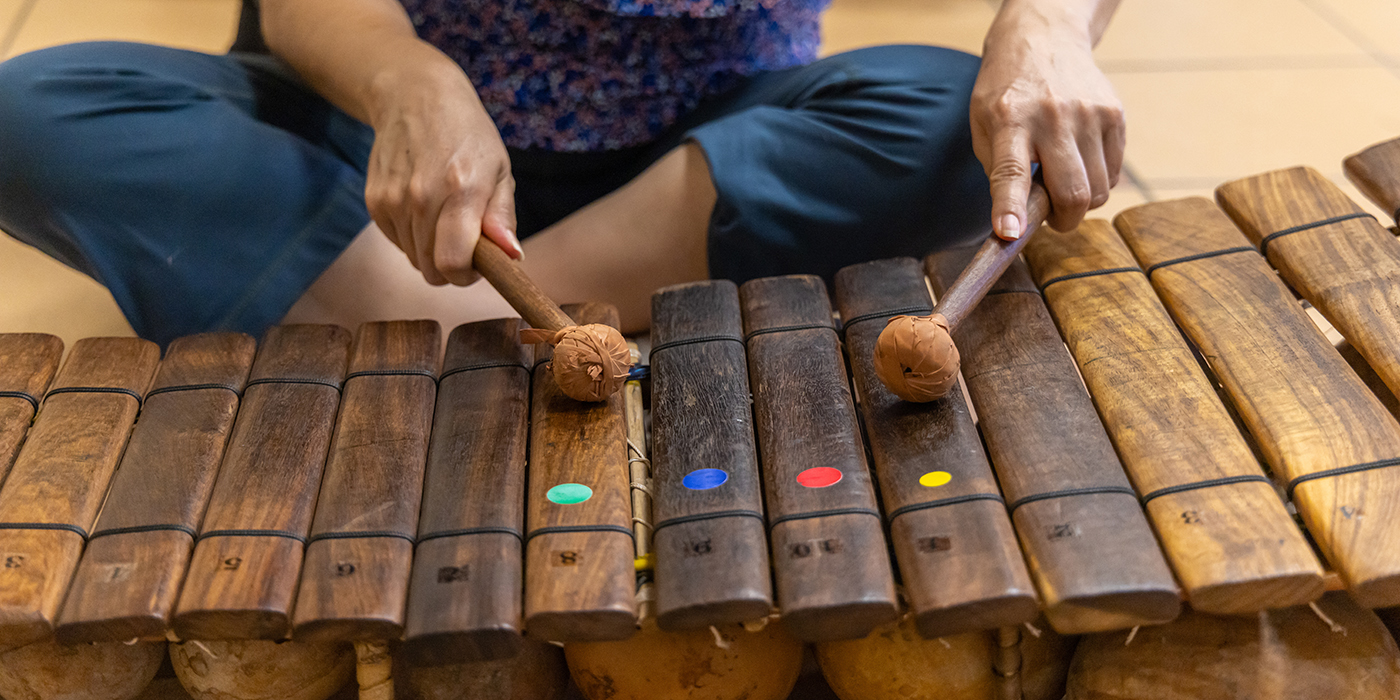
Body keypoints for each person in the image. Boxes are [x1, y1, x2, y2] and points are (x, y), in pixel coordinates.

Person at [0, 0, 1123, 345]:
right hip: (372, 144)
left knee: (939, 115)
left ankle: (450, 317)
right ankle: (444, 306)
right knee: (29, 113)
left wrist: (1044, 25)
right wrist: (407, 81)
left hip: (700, 157)